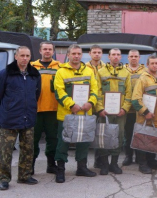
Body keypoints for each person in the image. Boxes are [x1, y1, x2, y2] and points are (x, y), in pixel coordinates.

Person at [54, 44, 98, 183]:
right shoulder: (61, 71)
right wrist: (71, 105)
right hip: (66, 115)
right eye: (73, 53)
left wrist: (90, 102)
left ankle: (81, 167)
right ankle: (60, 170)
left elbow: (95, 90)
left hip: (85, 113)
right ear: (68, 55)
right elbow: (59, 92)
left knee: (84, 141)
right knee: (63, 142)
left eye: (79, 53)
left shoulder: (89, 71)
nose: (76, 56)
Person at [0, 46, 41, 190]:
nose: (25, 58)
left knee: (27, 149)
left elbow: (36, 95)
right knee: (5, 151)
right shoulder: (5, 74)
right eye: (22, 55)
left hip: (28, 118)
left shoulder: (35, 75)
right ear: (16, 56)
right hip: (9, 119)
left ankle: (24, 176)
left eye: (27, 56)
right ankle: (3, 178)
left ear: (30, 57)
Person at [95, 48, 132, 175]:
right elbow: (97, 91)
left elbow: (129, 93)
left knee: (119, 136)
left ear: (121, 57)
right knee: (104, 137)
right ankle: (104, 164)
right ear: (109, 57)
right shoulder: (101, 72)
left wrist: (125, 108)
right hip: (104, 112)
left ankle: (114, 164)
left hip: (120, 113)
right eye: (113, 55)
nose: (116, 57)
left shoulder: (126, 73)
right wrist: (99, 108)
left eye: (118, 55)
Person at [31, 42, 61, 175]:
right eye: (45, 49)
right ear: (40, 51)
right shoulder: (31, 66)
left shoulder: (59, 67)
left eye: (50, 49)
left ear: (53, 51)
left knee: (52, 138)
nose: (47, 51)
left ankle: (51, 164)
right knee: (32, 139)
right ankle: (30, 165)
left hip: (53, 109)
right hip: (35, 109)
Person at [131, 55, 157, 174]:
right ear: (148, 65)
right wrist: (145, 112)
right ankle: (142, 163)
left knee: (153, 139)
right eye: (152, 63)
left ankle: (152, 161)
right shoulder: (143, 78)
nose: (155, 65)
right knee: (143, 139)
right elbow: (135, 99)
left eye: (156, 63)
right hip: (145, 117)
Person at [122, 50, 146, 166]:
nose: (134, 58)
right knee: (128, 133)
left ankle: (139, 156)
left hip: (140, 109)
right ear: (128, 58)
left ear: (139, 57)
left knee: (139, 133)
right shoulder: (123, 70)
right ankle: (128, 156)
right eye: (131, 56)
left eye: (136, 56)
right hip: (128, 109)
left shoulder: (145, 71)